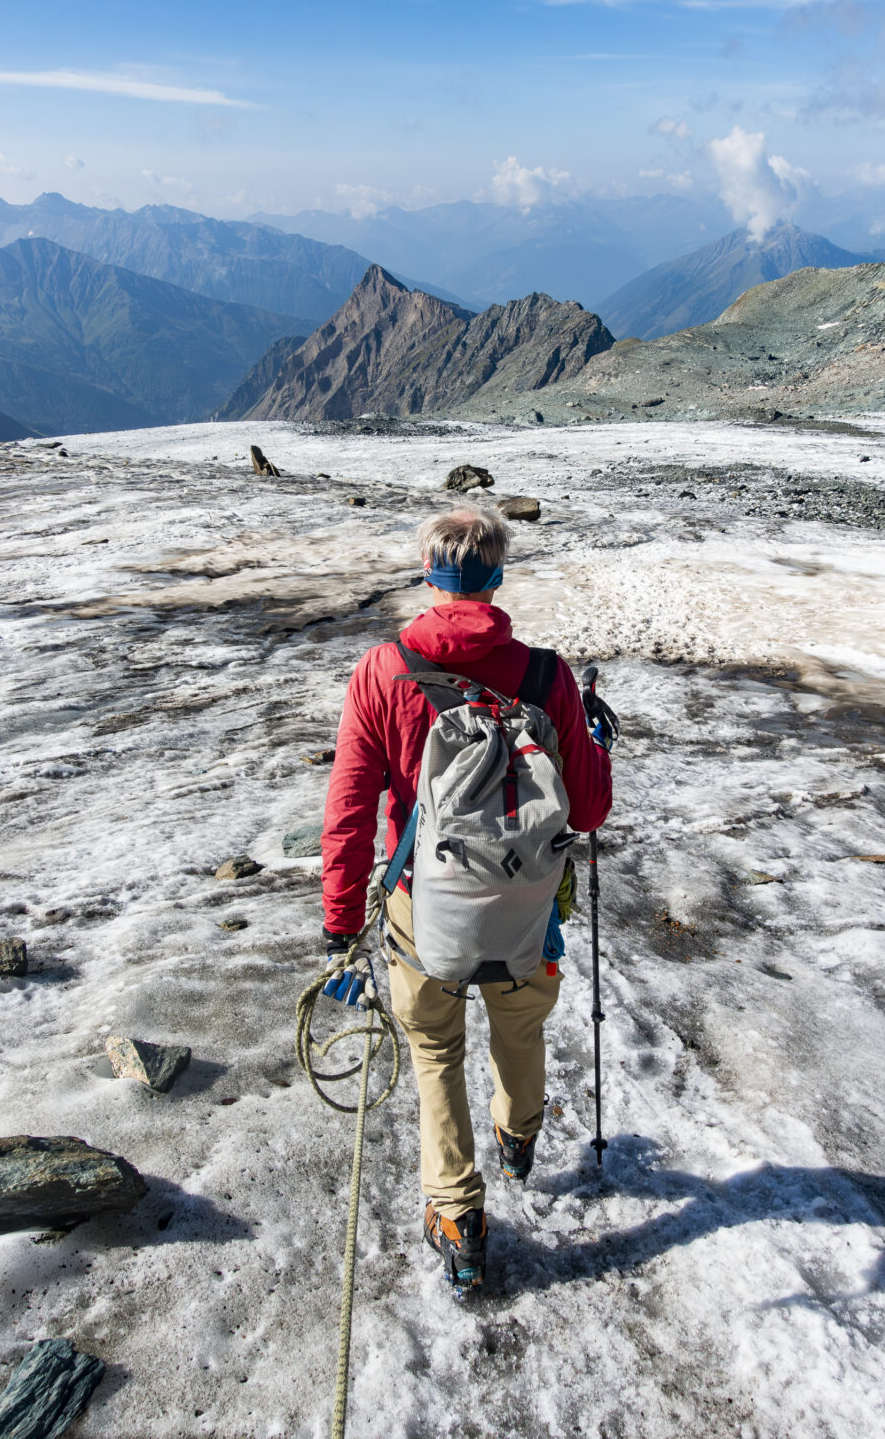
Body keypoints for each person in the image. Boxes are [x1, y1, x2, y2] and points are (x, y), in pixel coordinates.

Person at [319, 505, 613, 1291]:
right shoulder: (547, 675)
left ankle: (455, 1208)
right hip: (527, 909)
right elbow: (585, 813)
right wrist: (593, 746)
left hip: (425, 903)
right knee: (520, 1028)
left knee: (435, 1049)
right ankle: (518, 1135)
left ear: (428, 576)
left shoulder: (383, 671)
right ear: (497, 577)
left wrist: (341, 921)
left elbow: (350, 807)